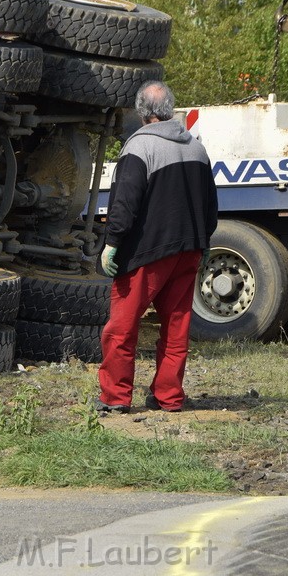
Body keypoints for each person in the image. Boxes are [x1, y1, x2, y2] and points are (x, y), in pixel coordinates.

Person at [95, 81, 218, 413]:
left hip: (147, 254)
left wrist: (112, 244)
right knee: (176, 327)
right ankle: (168, 396)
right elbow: (211, 205)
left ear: (142, 112)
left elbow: (125, 203)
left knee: (121, 328)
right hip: (188, 250)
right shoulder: (197, 148)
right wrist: (203, 243)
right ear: (168, 110)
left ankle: (116, 397)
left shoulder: (139, 147)